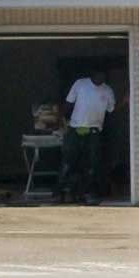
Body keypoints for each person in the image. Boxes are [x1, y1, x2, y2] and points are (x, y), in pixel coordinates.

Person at [59, 70, 115, 205]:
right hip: (76, 128)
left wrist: (125, 102)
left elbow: (111, 110)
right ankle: (62, 192)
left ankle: (85, 193)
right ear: (93, 75)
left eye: (103, 75)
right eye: (99, 74)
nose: (101, 77)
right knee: (69, 161)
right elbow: (68, 104)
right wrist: (61, 121)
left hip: (94, 131)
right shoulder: (80, 84)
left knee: (92, 164)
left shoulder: (108, 91)